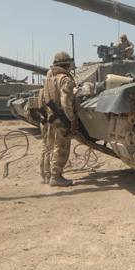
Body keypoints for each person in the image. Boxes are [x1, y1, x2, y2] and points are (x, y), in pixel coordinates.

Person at [39, 51, 79, 187]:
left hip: (51, 116)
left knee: (49, 146)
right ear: (67, 65)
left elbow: (43, 98)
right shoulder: (66, 80)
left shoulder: (50, 79)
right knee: (61, 146)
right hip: (62, 118)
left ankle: (46, 174)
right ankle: (56, 176)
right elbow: (65, 101)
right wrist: (72, 120)